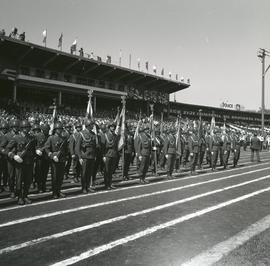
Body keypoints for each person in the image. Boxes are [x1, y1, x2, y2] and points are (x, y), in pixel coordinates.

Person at [6, 120, 36, 205]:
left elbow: (33, 149)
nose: (27, 129)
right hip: (20, 163)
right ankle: (20, 197)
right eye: (25, 127)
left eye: (28, 127)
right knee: (19, 181)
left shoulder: (31, 138)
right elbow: (7, 149)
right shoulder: (16, 137)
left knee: (28, 180)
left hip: (29, 162)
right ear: (22, 128)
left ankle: (25, 195)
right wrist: (14, 156)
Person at [44, 122, 68, 199]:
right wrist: (51, 155)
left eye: (60, 129)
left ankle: (59, 190)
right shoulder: (51, 138)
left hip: (62, 159)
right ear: (55, 130)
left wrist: (66, 157)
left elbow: (66, 149)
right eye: (58, 129)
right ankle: (54, 192)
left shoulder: (63, 138)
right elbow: (46, 148)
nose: (59, 130)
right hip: (54, 159)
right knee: (54, 177)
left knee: (60, 177)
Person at [75, 119, 96, 193]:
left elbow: (94, 146)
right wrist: (80, 157)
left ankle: (88, 186)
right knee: (84, 173)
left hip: (91, 156)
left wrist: (94, 155)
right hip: (84, 156)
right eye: (91, 125)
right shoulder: (81, 134)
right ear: (88, 125)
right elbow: (77, 147)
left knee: (89, 173)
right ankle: (84, 187)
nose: (93, 126)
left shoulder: (93, 134)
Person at [102, 122, 119, 189]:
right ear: (109, 127)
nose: (113, 128)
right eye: (111, 127)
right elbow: (103, 146)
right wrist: (103, 155)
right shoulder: (105, 135)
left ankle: (110, 183)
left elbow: (116, 146)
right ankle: (106, 184)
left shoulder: (115, 135)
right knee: (107, 170)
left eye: (114, 127)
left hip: (113, 154)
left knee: (111, 171)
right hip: (107, 154)